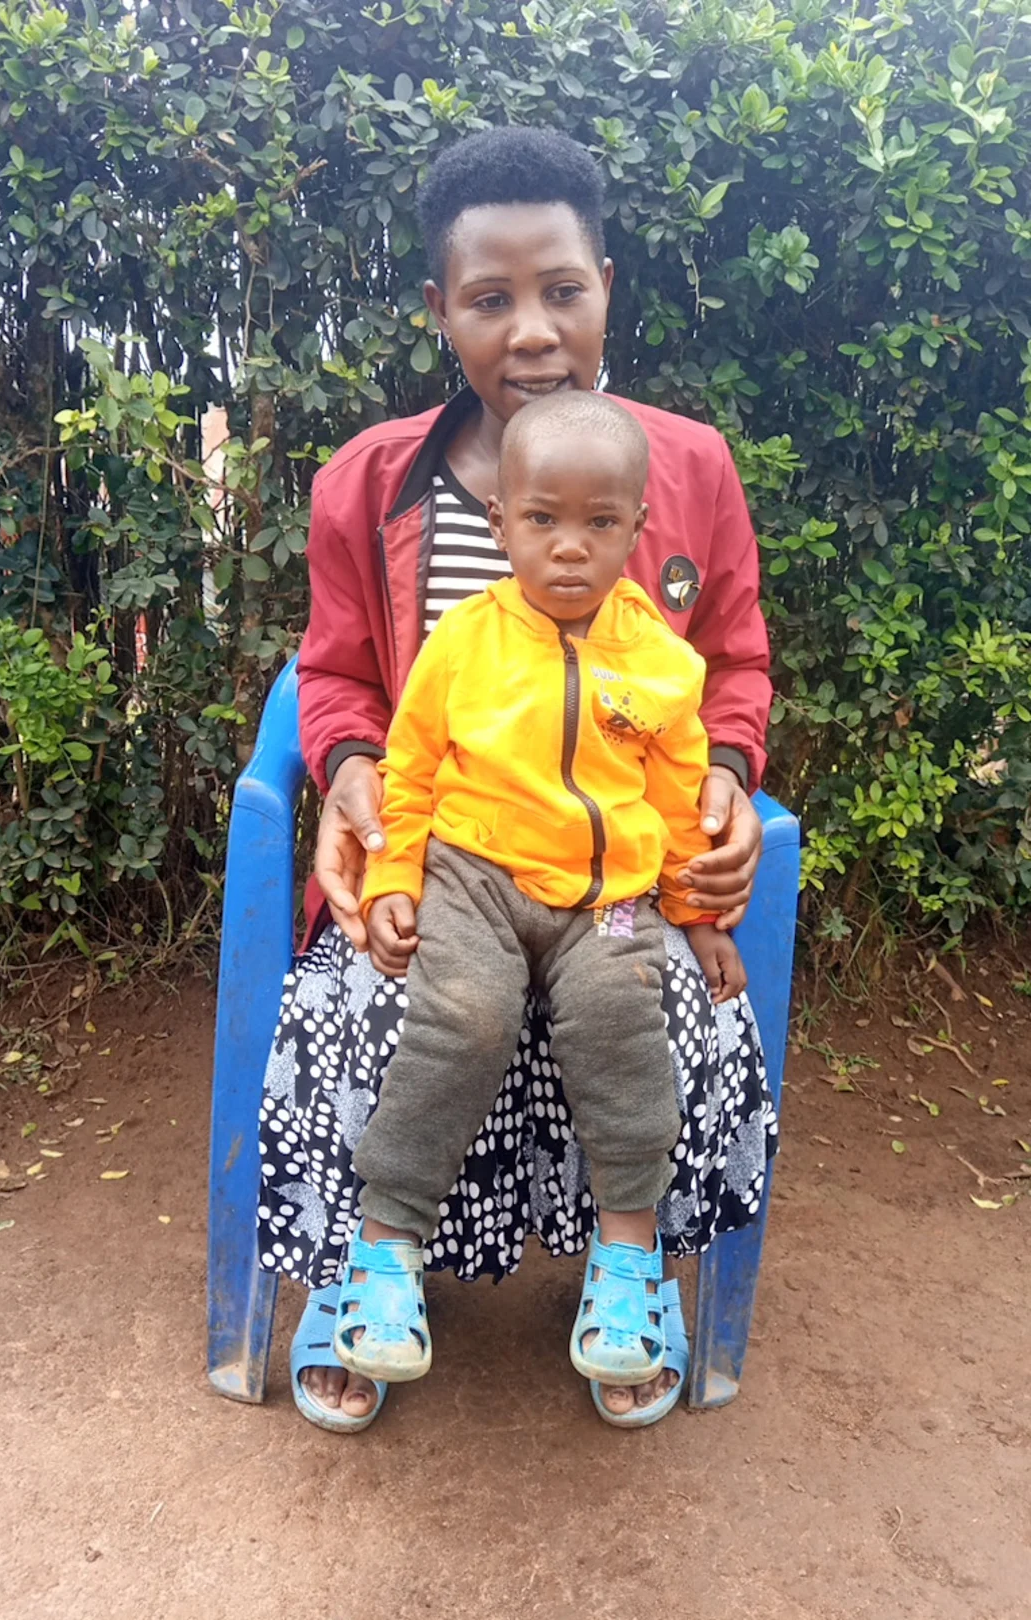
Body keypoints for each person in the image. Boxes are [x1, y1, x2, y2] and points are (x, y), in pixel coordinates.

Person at [258, 124, 777, 1433]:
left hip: (617, 880)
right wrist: (353, 774)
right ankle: (365, 1268)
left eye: (563, 290)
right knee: (376, 1003)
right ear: (441, 310)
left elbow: (730, 666)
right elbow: (336, 676)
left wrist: (725, 776)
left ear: (607, 285)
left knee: (679, 1013)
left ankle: (630, 1273)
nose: (533, 330)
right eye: (490, 299)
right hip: (450, 865)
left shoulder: (687, 471)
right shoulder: (369, 482)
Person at [331, 390, 747, 1408]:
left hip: (609, 900)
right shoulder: (463, 643)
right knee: (462, 1018)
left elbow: (677, 797)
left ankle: (628, 1266)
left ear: (637, 529)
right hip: (473, 881)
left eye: (600, 522)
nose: (570, 546)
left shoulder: (660, 660)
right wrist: (392, 881)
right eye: (543, 519)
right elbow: (408, 773)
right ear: (500, 522)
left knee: (621, 1024)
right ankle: (385, 1255)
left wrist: (697, 916)